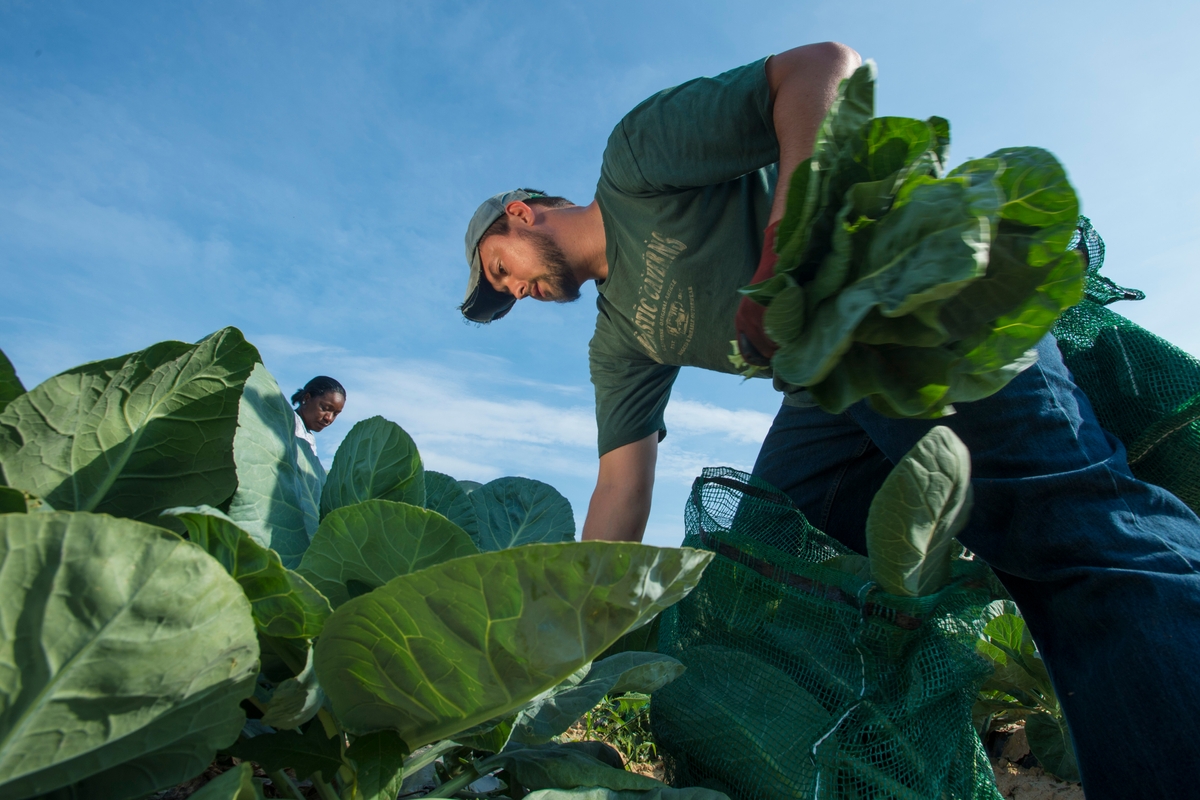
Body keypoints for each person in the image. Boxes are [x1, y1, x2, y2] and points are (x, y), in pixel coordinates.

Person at [457, 43, 1200, 798]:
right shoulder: (620, 340)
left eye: (499, 270)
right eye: (502, 295)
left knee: (1070, 534)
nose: (513, 291)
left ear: (522, 212)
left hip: (893, 271)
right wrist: (559, 635)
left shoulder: (635, 161)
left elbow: (819, 67)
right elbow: (620, 487)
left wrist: (791, 242)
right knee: (767, 599)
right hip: (828, 389)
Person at [291, 376, 346, 454]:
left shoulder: (309, 438)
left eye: (335, 414)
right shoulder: (286, 423)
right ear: (306, 398)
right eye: (324, 408)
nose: (329, 418)